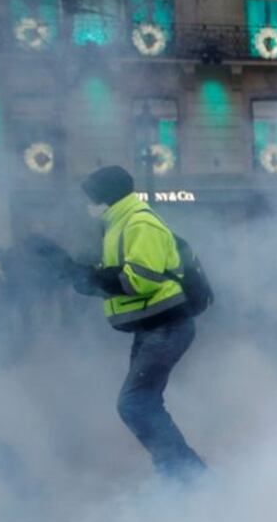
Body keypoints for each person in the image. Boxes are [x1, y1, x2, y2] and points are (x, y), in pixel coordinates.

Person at [66, 165, 204, 478]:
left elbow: (141, 280)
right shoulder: (119, 223)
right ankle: (177, 472)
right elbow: (118, 282)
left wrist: (87, 275)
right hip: (152, 326)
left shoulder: (139, 222)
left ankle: (187, 475)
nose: (88, 204)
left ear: (105, 197)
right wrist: (76, 275)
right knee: (142, 401)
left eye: (92, 197)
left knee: (135, 403)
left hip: (167, 324)